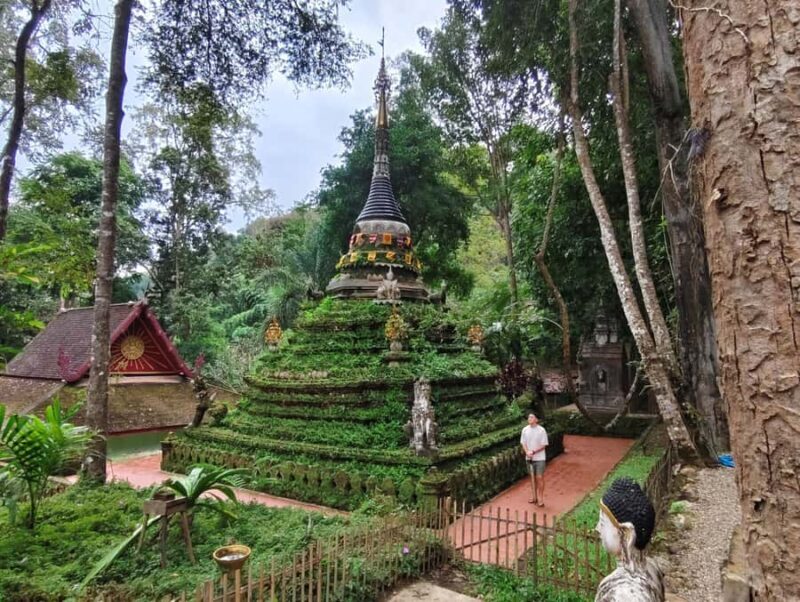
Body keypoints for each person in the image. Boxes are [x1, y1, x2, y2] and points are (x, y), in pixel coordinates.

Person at [520, 413, 548, 506]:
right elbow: (523, 443)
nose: (529, 418)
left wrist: (533, 451)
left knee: (539, 477)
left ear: (536, 419)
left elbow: (544, 445)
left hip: (540, 458)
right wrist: (527, 452)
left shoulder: (541, 430)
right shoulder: (525, 430)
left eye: (532, 417)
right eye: (528, 417)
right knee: (532, 477)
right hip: (529, 458)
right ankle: (534, 496)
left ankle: (540, 498)